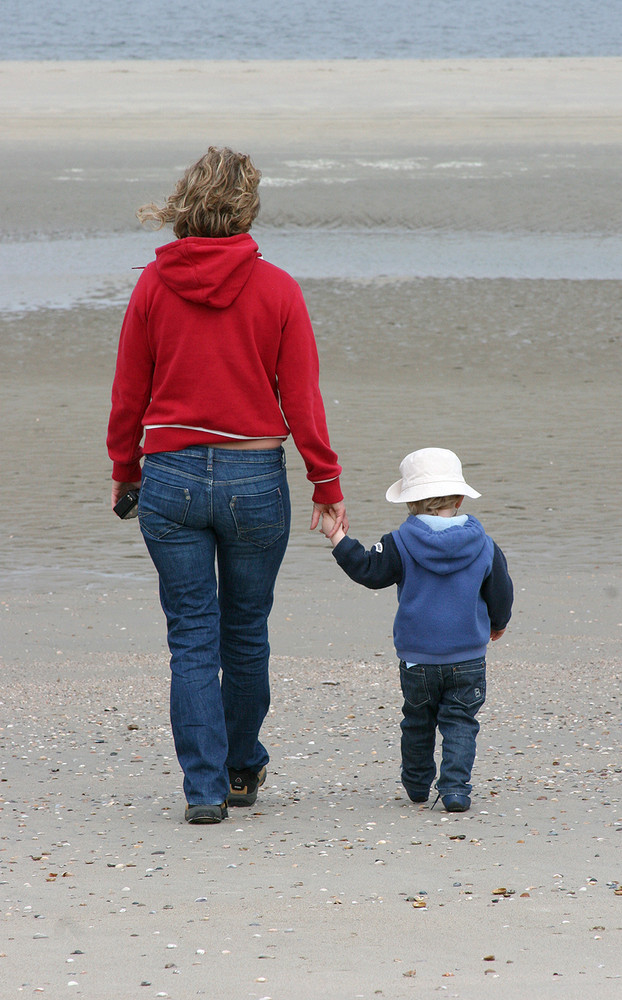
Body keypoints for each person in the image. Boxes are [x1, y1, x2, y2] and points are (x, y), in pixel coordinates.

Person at [107, 147, 347, 824]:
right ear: (247, 208)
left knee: (191, 637)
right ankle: (241, 768)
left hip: (172, 475)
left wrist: (126, 470)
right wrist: (325, 481)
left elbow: (129, 395)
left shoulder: (152, 287)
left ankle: (204, 789)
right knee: (244, 631)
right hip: (253, 477)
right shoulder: (277, 288)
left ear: (185, 204)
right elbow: (302, 400)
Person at [320, 447, 512, 813]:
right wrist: (499, 624)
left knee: (418, 719)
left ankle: (417, 783)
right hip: (468, 657)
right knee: (460, 721)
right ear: (458, 497)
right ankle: (455, 788)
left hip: (417, 660)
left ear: (409, 502)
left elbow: (368, 570)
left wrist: (337, 538)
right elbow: (500, 591)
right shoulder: (484, 545)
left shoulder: (399, 543)